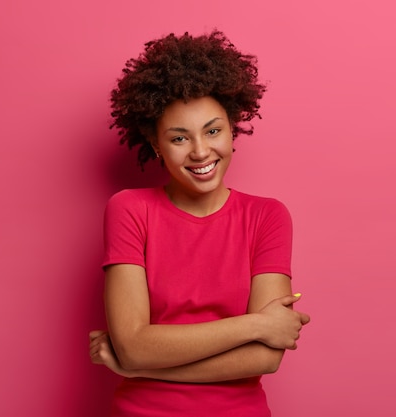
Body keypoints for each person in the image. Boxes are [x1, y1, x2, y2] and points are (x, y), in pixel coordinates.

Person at [89, 31, 311, 417]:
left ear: (232, 127)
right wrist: (257, 324)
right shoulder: (129, 209)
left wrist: (137, 365)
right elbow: (133, 344)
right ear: (156, 143)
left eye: (213, 130)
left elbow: (264, 358)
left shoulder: (268, 217)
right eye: (179, 138)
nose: (200, 151)